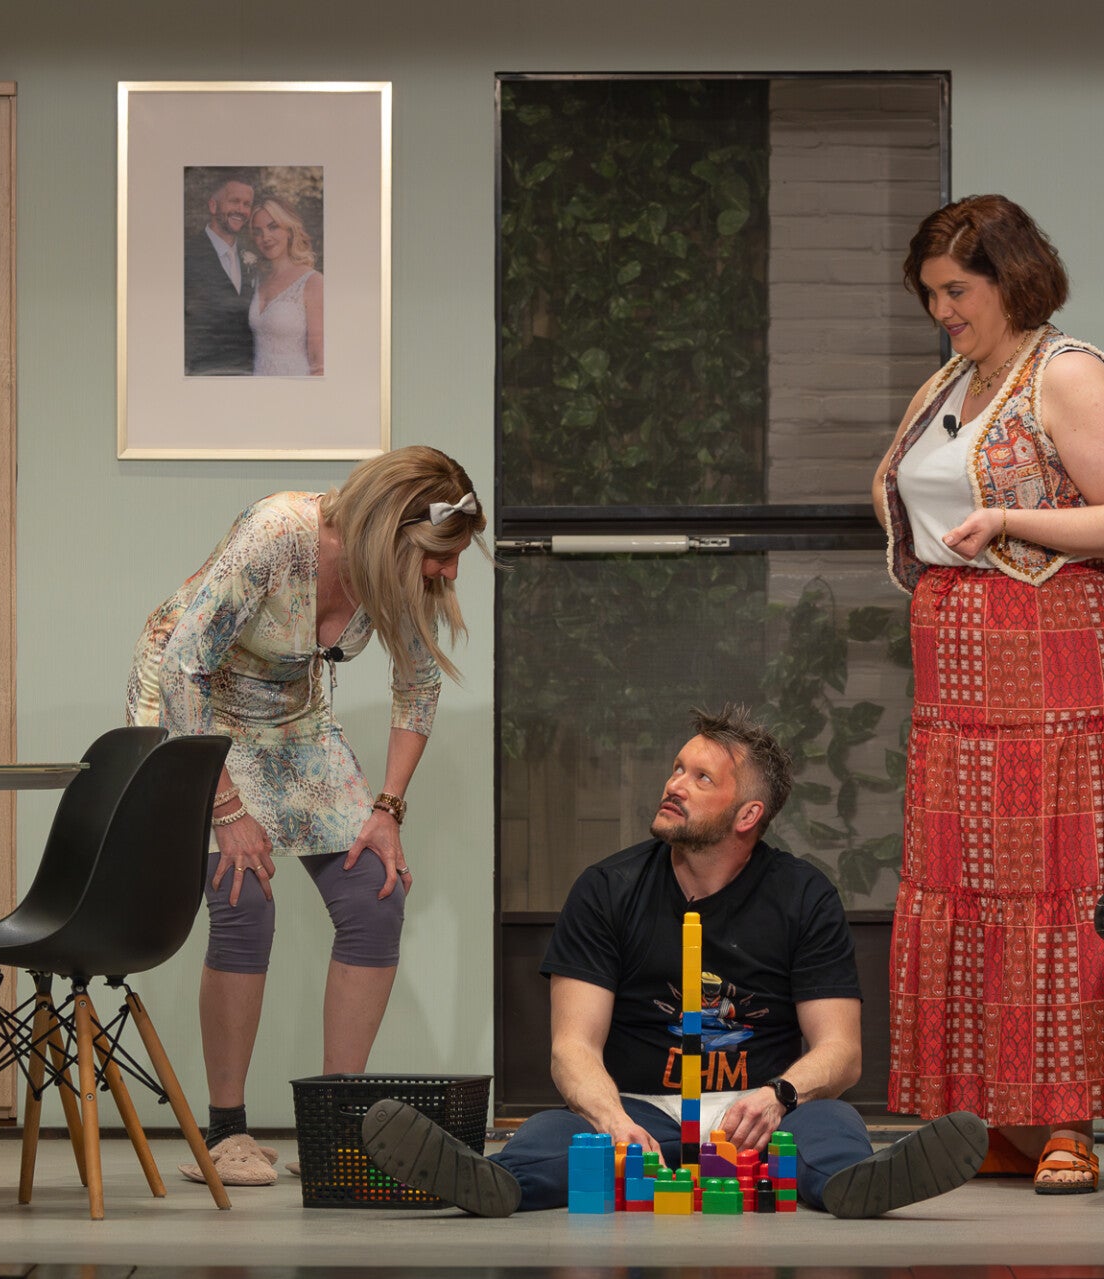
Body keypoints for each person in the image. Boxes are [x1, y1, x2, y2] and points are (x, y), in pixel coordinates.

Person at [358, 706, 988, 1218]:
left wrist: (779, 1095)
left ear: (748, 815)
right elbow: (572, 1046)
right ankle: (493, 1184)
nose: (674, 784)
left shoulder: (803, 896)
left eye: (701, 779)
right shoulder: (607, 889)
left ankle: (861, 1185)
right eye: (678, 768)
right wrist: (612, 1120)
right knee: (552, 1138)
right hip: (639, 1110)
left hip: (759, 1116)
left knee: (832, 1126)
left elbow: (842, 1052)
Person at [871, 195, 1104, 1195]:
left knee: (1056, 877)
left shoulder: (1065, 372)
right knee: (968, 877)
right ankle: (996, 1116)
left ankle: (1067, 1118)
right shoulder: (952, 381)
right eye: (930, 294)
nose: (941, 311)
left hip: (1055, 654)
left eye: (956, 290)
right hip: (958, 672)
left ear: (1011, 277)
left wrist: (1008, 518)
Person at [126, 446, 484, 1187]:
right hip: (191, 704)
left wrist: (387, 808)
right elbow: (184, 665)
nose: (450, 573)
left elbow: (418, 686)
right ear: (391, 530)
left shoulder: (397, 575)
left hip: (291, 716)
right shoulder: (278, 533)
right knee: (243, 895)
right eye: (441, 555)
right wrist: (226, 806)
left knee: (375, 892)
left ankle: (335, 1123)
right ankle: (227, 1131)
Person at [184, 170, 258, 375]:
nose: (241, 210)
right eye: (234, 201)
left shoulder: (254, 258)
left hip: (250, 377)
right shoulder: (184, 255)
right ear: (213, 205)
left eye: (247, 204)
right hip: (200, 376)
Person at [248, 195, 324, 376]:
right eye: (258, 231)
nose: (265, 237)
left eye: (273, 227)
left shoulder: (313, 282)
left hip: (295, 387)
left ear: (289, 231)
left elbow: (319, 361)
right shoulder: (258, 280)